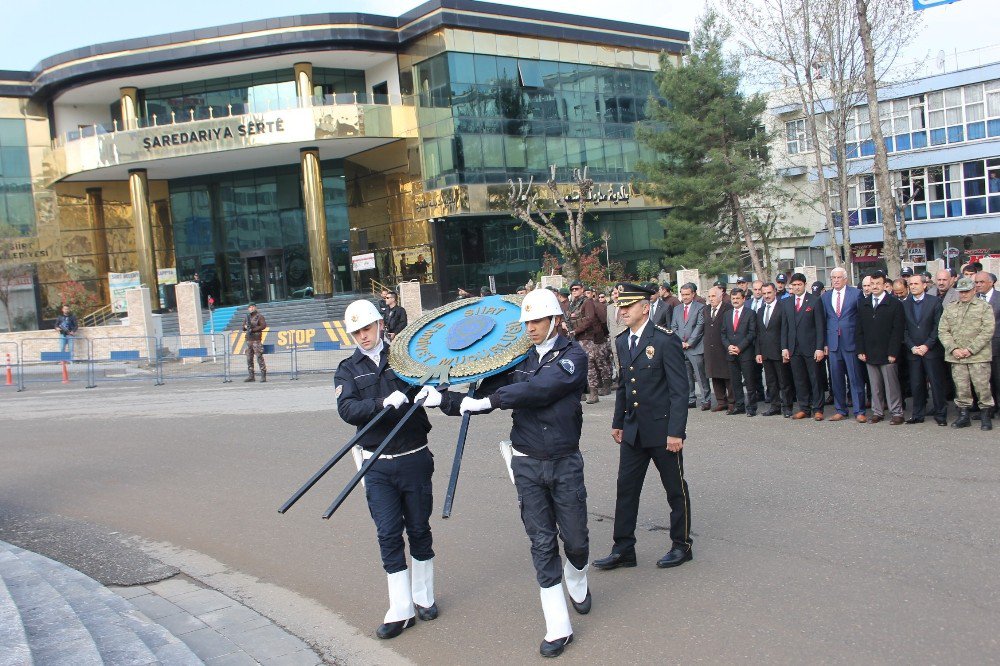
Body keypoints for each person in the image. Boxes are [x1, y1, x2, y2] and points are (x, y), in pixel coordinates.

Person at [427, 288, 590, 658]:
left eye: (537, 321)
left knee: (576, 540)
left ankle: (578, 575)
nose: (530, 328)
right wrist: (443, 398)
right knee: (542, 541)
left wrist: (491, 399)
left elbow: (540, 390)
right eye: (527, 322)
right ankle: (558, 625)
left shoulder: (572, 357)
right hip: (527, 461)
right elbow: (481, 396)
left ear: (555, 321)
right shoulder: (519, 360)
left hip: (565, 461)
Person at [334, 300, 438, 639]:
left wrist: (431, 390)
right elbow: (347, 409)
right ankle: (401, 608)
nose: (363, 336)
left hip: (414, 456)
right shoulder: (347, 369)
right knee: (388, 533)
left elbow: (436, 381)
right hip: (375, 464)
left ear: (380, 325)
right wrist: (381, 403)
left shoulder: (405, 356)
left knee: (419, 528)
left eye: (366, 328)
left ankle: (423, 596)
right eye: (356, 332)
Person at [594, 283, 692, 572]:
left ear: (645, 307)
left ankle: (681, 545)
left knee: (675, 489)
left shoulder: (664, 340)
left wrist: (677, 432)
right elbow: (625, 385)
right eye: (620, 307)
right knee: (626, 489)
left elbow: (679, 390)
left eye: (628, 306)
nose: (622, 311)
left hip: (663, 432)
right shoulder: (623, 341)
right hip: (633, 430)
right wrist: (617, 422)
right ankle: (623, 549)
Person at [938, 277, 995, 430]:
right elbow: (943, 330)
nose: (963, 295)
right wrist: (953, 349)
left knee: (982, 387)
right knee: (961, 387)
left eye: (966, 291)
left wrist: (970, 349)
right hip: (957, 356)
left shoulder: (984, 307)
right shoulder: (951, 308)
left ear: (974, 290)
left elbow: (987, 331)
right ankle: (963, 415)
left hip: (978, 356)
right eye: (961, 292)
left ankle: (985, 415)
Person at [856, 271, 905, 425]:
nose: (875, 286)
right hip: (870, 351)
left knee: (891, 385)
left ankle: (896, 413)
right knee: (875, 386)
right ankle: (877, 412)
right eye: (872, 284)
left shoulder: (894, 303)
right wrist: (861, 350)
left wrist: (893, 352)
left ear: (885, 285)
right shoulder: (863, 304)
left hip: (888, 352)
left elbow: (898, 330)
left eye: (878, 284)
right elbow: (859, 330)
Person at [821, 267, 867, 422]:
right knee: (836, 378)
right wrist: (825, 343)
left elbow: (861, 319)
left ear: (845, 279)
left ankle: (859, 410)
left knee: (855, 378)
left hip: (851, 342)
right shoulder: (826, 297)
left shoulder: (856, 294)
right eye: (833, 277)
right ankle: (840, 409)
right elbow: (824, 321)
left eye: (839, 277)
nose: (836, 280)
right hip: (833, 344)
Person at [903, 273, 948, 426]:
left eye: (916, 284)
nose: (913, 286)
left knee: (936, 383)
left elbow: (938, 327)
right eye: (910, 284)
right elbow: (903, 330)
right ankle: (917, 414)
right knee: (916, 384)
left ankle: (941, 413)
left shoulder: (935, 302)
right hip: (914, 351)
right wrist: (912, 346)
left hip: (931, 350)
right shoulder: (904, 304)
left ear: (924, 285)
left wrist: (927, 345)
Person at [781, 273, 826, 420]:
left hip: (811, 347)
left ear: (804, 285)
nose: (796, 287)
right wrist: (784, 347)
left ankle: (818, 409)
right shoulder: (787, 303)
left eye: (799, 284)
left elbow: (820, 326)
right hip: (794, 348)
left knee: (815, 379)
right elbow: (785, 327)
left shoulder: (814, 301)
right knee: (799, 380)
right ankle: (804, 408)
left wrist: (820, 347)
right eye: (793, 285)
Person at [755, 283, 794, 417]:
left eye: (769, 293)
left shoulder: (782, 308)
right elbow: (759, 333)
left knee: (784, 381)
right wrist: (758, 352)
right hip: (766, 352)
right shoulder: (760, 310)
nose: (766, 296)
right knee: (771, 382)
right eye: (764, 293)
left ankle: (787, 407)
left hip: (779, 351)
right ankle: (774, 406)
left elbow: (785, 329)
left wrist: (785, 348)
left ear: (775, 292)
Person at [671, 283, 710, 411]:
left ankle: (706, 399)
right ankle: (691, 398)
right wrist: (679, 342)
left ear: (693, 294)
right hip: (681, 347)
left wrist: (690, 342)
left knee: (700, 375)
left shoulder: (700, 307)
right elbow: (674, 327)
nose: (685, 297)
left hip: (695, 347)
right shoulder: (677, 309)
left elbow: (700, 326)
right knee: (686, 375)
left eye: (687, 294)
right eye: (683, 294)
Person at [567, 280, 607, 404]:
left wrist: (576, 330)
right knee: (578, 365)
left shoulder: (587, 302)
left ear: (582, 289)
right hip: (576, 337)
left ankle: (593, 392)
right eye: (572, 289)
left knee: (589, 365)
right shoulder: (573, 303)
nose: (574, 291)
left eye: (577, 288)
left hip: (586, 337)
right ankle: (582, 392)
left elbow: (589, 319)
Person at [721, 287, 759, 416]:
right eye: (733, 298)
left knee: (749, 382)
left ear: (743, 299)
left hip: (746, 353)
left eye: (738, 298)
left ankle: (752, 407)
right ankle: (739, 405)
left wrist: (740, 347)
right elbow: (723, 333)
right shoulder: (727, 314)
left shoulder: (750, 313)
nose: (735, 301)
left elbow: (752, 333)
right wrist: (729, 346)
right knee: (735, 382)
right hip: (731, 353)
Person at [704, 285, 734, 412]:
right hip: (710, 347)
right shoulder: (706, 309)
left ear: (720, 296)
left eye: (713, 296)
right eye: (709, 296)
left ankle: (733, 402)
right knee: (714, 375)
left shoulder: (728, 308)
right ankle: (721, 401)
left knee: (727, 375)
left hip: (723, 346)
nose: (711, 299)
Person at [974, 272, 1000, 410]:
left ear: (991, 282)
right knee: (983, 380)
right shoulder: (974, 299)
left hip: (996, 344)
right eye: (976, 282)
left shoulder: (999, 298)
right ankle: (987, 409)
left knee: (997, 377)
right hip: (978, 347)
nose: (978, 285)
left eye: (981, 282)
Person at [242, 303, 267, 382]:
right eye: (250, 307)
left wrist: (253, 329)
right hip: (249, 340)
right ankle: (251, 376)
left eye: (252, 307)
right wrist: (246, 327)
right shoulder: (247, 317)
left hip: (256, 339)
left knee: (259, 357)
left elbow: (263, 326)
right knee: (249, 358)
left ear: (255, 307)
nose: (251, 308)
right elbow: (243, 327)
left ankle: (263, 376)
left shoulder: (259, 316)